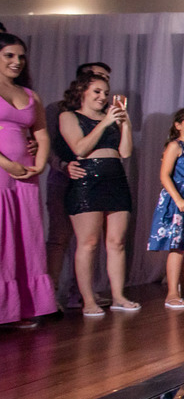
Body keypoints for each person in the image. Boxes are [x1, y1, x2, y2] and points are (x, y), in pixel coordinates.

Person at [59, 72, 139, 316]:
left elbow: (125, 152)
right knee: (89, 243)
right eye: (97, 91)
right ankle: (88, 300)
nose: (102, 97)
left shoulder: (112, 118)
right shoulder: (69, 116)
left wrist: (125, 124)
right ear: (82, 91)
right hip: (87, 181)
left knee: (117, 242)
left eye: (106, 92)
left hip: (116, 179)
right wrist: (104, 123)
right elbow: (80, 148)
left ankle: (118, 296)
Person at [0, 32, 56, 327]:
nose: (17, 61)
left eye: (21, 56)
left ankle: (23, 307)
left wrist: (40, 163)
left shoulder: (31, 95)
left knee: (26, 238)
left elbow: (42, 134)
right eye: (9, 55)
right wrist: (6, 163)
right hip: (2, 171)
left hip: (26, 175)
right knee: (2, 238)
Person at [45, 61, 110, 305]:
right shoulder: (57, 109)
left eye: (105, 78)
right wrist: (62, 165)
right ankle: (49, 295)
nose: (103, 82)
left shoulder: (106, 113)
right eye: (97, 76)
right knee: (59, 237)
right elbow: (46, 145)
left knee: (89, 240)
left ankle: (80, 293)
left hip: (94, 182)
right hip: (63, 179)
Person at [148, 108, 184, 309]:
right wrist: (179, 199)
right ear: (178, 125)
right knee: (178, 245)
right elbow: (164, 175)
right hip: (179, 198)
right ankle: (172, 292)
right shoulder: (175, 146)